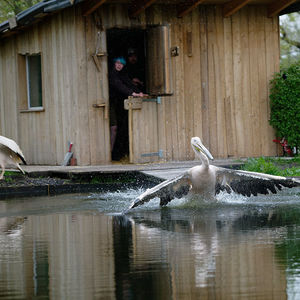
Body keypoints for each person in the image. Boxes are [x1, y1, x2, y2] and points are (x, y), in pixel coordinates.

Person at [109, 57, 145, 161]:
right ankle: (110, 154)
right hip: (111, 102)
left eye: (122, 64)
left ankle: (117, 153)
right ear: (114, 63)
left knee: (121, 128)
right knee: (114, 128)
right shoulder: (112, 74)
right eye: (118, 63)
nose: (119, 65)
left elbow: (128, 83)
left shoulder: (122, 74)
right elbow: (119, 85)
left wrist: (139, 92)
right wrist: (133, 94)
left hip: (118, 104)